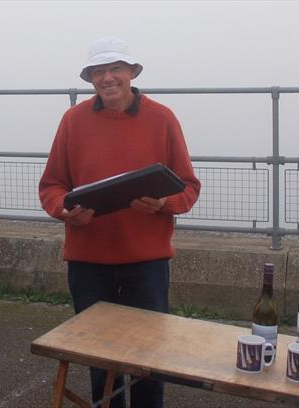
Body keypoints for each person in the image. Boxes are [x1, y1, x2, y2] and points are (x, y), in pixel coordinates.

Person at [39, 36, 201, 408]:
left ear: (132, 72)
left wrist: (163, 202)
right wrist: (64, 210)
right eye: (99, 71)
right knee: (100, 363)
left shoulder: (162, 118)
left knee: (147, 364)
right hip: (88, 263)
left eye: (115, 69)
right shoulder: (72, 120)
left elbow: (189, 188)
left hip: (146, 264)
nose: (107, 78)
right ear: (90, 78)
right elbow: (51, 186)